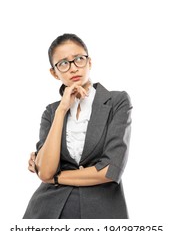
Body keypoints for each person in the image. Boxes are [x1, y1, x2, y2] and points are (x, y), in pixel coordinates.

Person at [23, 33, 132, 219]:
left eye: (79, 59)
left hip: (102, 211)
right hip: (47, 211)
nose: (73, 68)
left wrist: (56, 178)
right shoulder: (51, 112)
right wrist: (62, 110)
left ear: (89, 62)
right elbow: (45, 171)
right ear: (54, 72)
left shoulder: (117, 101)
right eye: (63, 63)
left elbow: (111, 170)